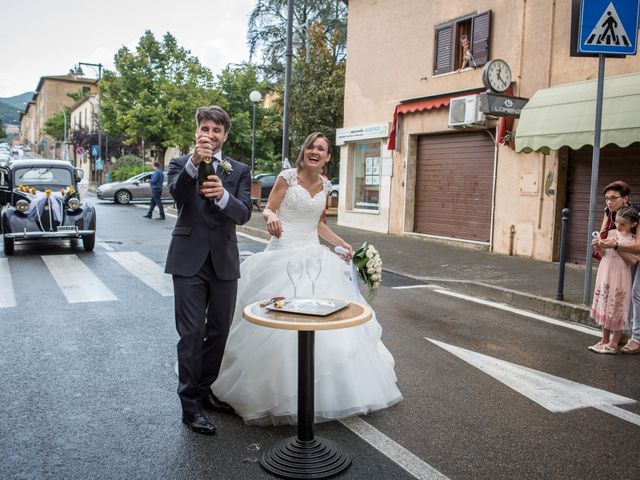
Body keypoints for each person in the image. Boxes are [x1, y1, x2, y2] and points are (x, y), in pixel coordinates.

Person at [212, 132, 402, 426]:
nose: (315, 151)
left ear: (327, 158)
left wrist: (341, 244)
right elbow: (270, 209)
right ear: (304, 151)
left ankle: (327, 392)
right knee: (277, 326)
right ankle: (274, 391)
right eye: (311, 147)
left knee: (331, 325)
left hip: (314, 257)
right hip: (282, 254)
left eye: (321, 149)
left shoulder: (327, 186)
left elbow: (319, 224)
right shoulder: (286, 178)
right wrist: (271, 217)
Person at [165, 105, 252, 434]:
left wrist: (224, 197)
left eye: (217, 130)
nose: (211, 134)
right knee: (190, 334)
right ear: (197, 132)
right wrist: (194, 163)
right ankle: (189, 405)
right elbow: (178, 195)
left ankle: (206, 390)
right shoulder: (179, 164)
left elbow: (243, 213)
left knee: (218, 332)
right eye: (206, 128)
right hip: (188, 261)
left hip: (224, 262)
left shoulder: (239, 170)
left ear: (225, 135)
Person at [589, 206, 639, 354]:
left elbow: (631, 261)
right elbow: (603, 253)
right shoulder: (611, 233)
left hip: (621, 276)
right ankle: (604, 339)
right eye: (617, 222)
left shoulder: (633, 240)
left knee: (617, 307)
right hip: (606, 273)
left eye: (622, 224)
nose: (618, 226)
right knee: (604, 304)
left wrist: (617, 247)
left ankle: (614, 342)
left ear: (634, 225)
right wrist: (598, 246)